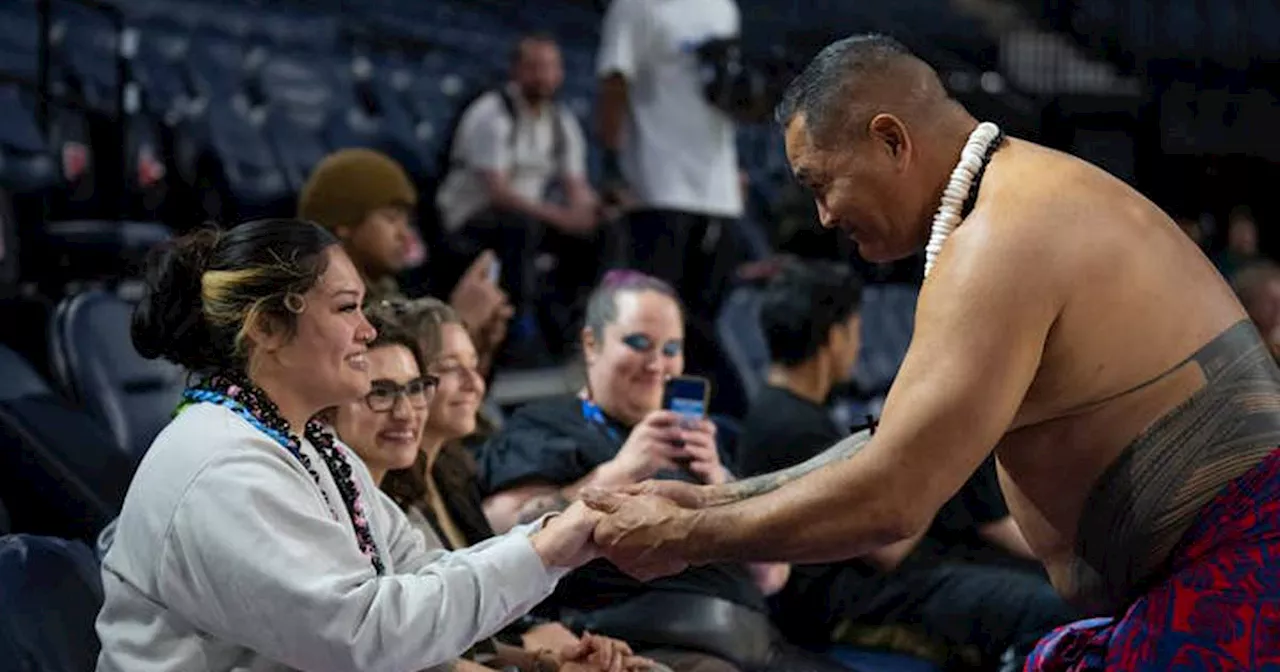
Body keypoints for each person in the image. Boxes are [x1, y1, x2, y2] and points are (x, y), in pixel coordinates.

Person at [582, 34, 1280, 671]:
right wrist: (704, 502)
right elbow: (891, 445)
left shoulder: (1004, 238)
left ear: (891, 140)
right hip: (1206, 578)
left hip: (1240, 582)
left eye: (821, 182)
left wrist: (682, 538)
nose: (823, 215)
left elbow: (893, 498)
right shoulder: (1013, 205)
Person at [95, 219, 605, 672]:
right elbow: (364, 637)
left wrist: (557, 537)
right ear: (268, 326)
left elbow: (418, 570)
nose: (367, 331)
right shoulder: (223, 466)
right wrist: (544, 551)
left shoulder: (311, 445)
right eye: (346, 308)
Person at [474, 271, 842, 672]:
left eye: (671, 349)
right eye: (639, 344)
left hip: (757, 644)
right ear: (591, 343)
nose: (657, 365)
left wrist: (720, 484)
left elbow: (771, 577)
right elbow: (497, 528)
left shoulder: (699, 442)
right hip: (642, 640)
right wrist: (620, 470)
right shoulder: (545, 424)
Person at [739, 260, 1074, 669]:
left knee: (1031, 580)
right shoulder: (793, 428)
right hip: (846, 605)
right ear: (835, 336)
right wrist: (936, 450)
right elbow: (886, 549)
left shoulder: (783, 412)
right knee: (1042, 606)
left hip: (875, 581)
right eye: (856, 329)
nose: (858, 344)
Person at [327, 302, 654, 672]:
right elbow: (407, 650)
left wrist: (550, 661)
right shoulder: (336, 507)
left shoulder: (447, 477)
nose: (404, 411)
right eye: (381, 392)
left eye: (414, 389)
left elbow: (464, 636)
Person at [437, 34, 599, 363]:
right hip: (471, 218)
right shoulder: (492, 114)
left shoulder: (560, 121)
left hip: (529, 217)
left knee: (601, 232)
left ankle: (578, 323)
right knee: (521, 227)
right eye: (535, 67)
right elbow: (498, 192)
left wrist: (593, 212)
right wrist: (561, 217)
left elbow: (576, 185)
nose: (543, 76)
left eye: (551, 67)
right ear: (516, 71)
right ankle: (517, 330)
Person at [299, 147, 514, 375]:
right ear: (344, 225)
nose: (406, 235)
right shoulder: (320, 306)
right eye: (391, 219)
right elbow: (389, 395)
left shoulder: (388, 296)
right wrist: (462, 323)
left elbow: (447, 397)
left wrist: (479, 346)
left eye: (407, 222)